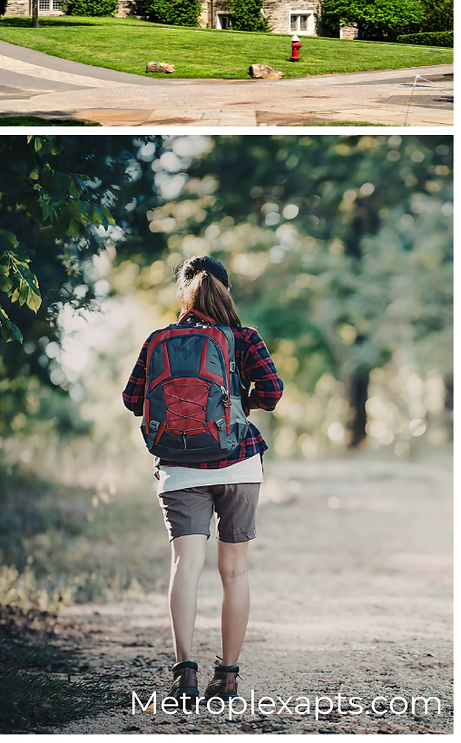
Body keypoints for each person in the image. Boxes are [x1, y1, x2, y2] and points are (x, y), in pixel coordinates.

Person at [122, 255, 282, 707]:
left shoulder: (159, 340)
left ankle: (185, 675)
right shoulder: (244, 338)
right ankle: (228, 678)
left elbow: (133, 399)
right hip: (239, 464)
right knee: (234, 571)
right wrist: (235, 403)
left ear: (183, 292)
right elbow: (272, 392)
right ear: (226, 291)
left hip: (178, 469)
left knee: (184, 568)